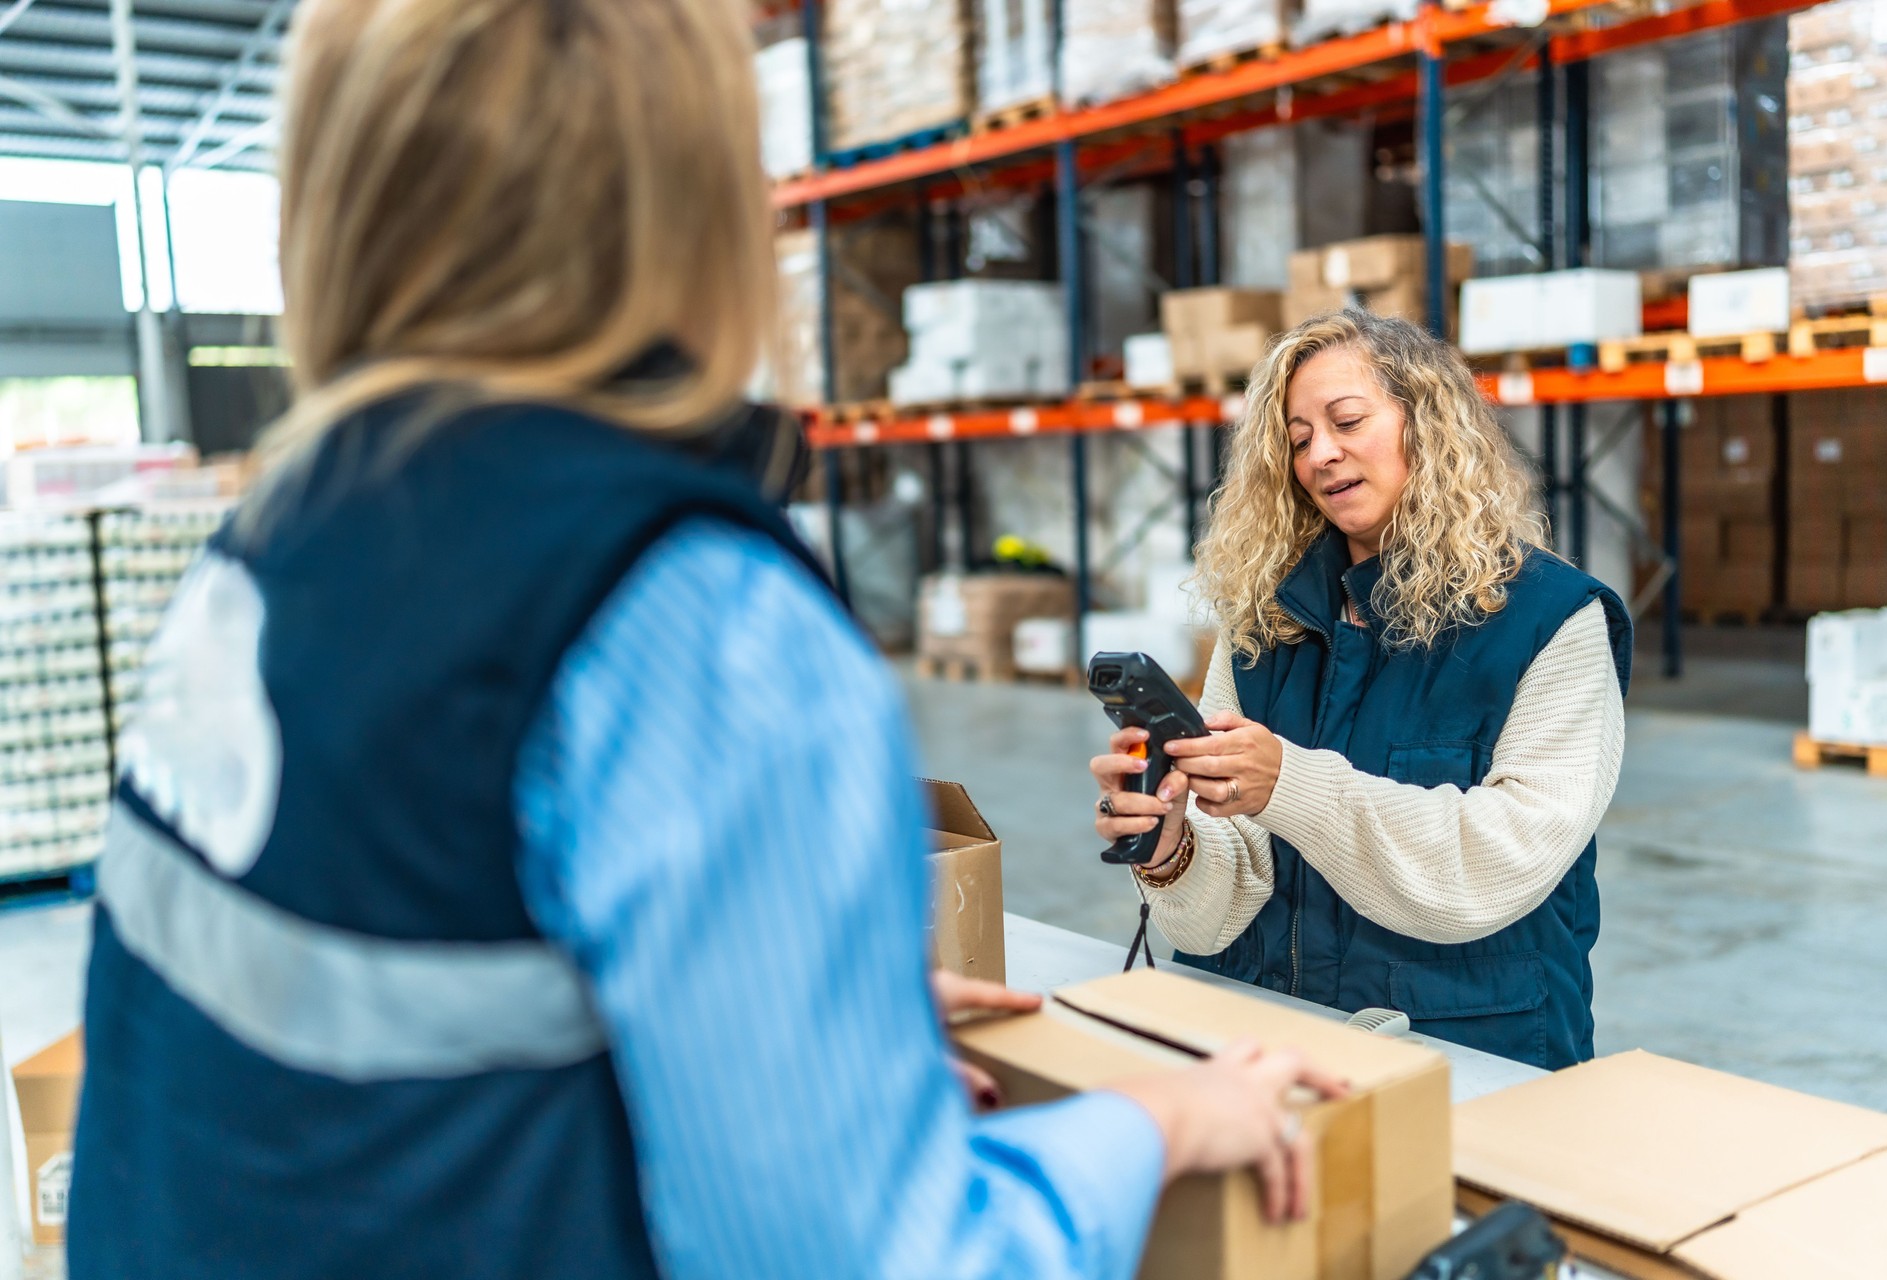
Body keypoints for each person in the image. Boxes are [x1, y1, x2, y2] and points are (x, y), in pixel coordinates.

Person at [64, 1, 1345, 1277]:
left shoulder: (277, 539)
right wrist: (1150, 1124)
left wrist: (783, 1038)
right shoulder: (689, 615)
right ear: (705, 200)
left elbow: (375, 1054)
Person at [1092, 309, 1631, 1070]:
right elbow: (1217, 915)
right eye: (1300, 437)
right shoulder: (1262, 622)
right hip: (1266, 1042)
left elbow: (1493, 867)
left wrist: (1290, 783)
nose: (1322, 454)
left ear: (1429, 423)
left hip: (1469, 1053)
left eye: (1347, 420)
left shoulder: (1554, 621)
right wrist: (1174, 842)